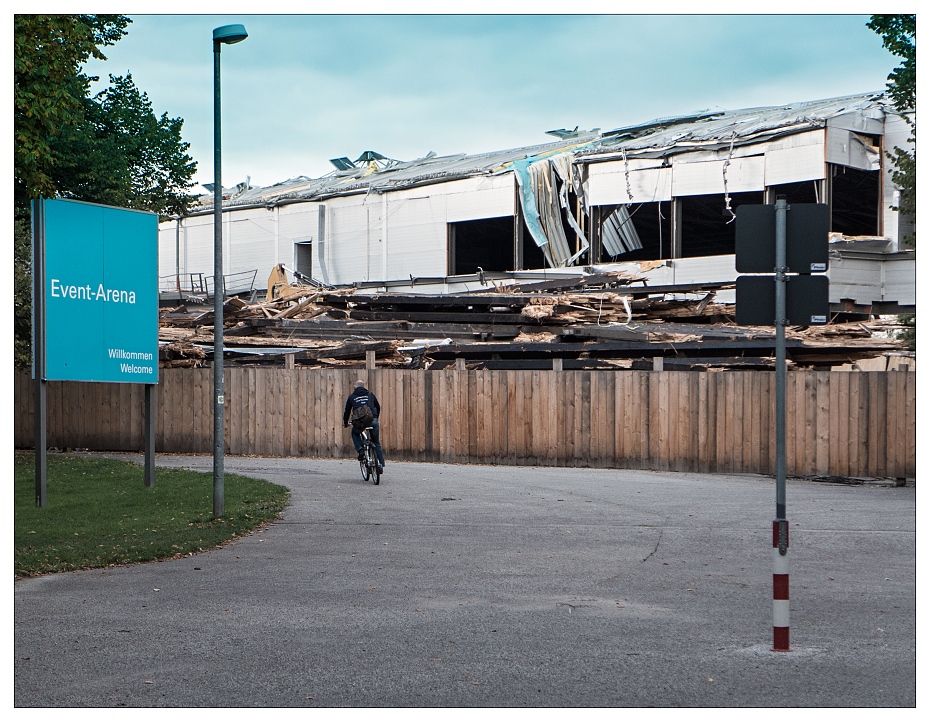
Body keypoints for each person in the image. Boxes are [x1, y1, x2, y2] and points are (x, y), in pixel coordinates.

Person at [343, 380, 385, 472]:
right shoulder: (370, 395)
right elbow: (377, 407)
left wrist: (345, 423)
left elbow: (347, 411)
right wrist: (375, 418)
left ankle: (360, 449)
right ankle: (380, 465)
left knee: (355, 433)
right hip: (373, 420)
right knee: (376, 442)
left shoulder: (352, 397)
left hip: (360, 422)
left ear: (355, 387)